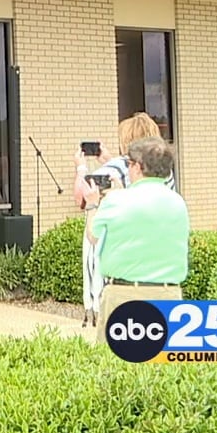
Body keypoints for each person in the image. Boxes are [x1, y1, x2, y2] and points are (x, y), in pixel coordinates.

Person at [87, 136, 191, 344]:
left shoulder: (116, 200)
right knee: (162, 362)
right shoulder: (178, 202)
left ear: (138, 167)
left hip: (124, 295)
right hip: (169, 295)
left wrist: (92, 204)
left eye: (129, 163)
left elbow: (93, 236)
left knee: (117, 361)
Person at [73, 111, 171, 327]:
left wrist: (81, 167)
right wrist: (109, 160)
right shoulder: (165, 173)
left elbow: (81, 196)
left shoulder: (119, 166)